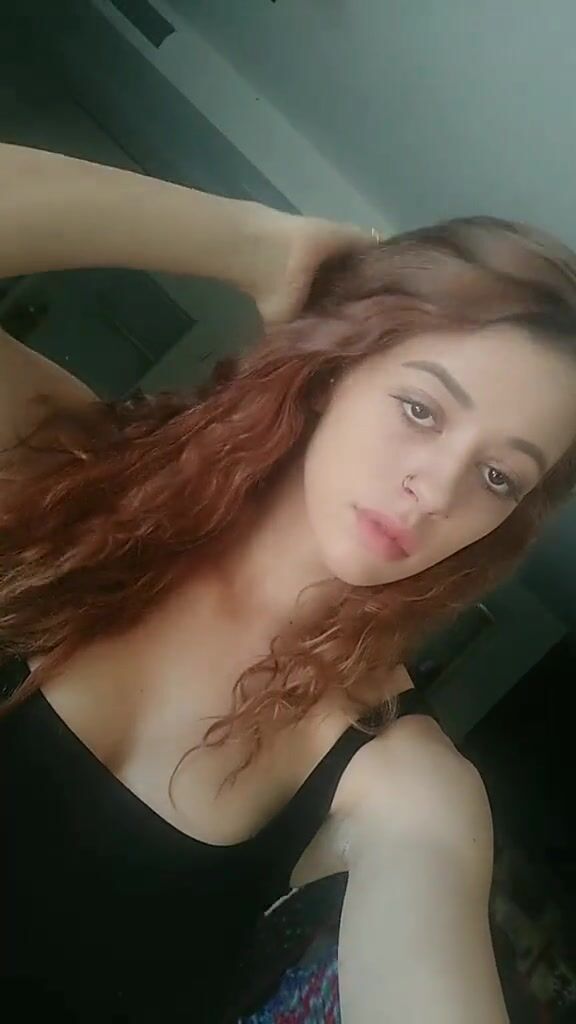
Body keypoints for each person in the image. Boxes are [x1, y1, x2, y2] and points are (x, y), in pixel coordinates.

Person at [1, 143, 575, 1024]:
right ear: (334, 367)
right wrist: (253, 244)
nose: (437, 492)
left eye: (499, 477)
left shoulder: (405, 788)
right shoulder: (58, 462)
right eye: (421, 409)